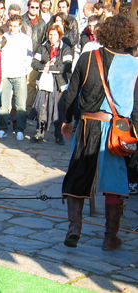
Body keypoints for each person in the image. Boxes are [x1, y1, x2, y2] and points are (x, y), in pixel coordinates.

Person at [61, 15, 138, 250]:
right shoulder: (135, 65)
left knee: (78, 175)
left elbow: (70, 95)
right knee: (114, 183)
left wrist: (66, 120)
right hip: (117, 129)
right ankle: (109, 237)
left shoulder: (87, 58)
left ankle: (74, 228)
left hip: (86, 125)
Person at [30, 24, 72, 145]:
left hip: (59, 83)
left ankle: (59, 135)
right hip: (44, 81)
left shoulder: (66, 48)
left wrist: (51, 68)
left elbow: (67, 65)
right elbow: (34, 63)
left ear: (59, 36)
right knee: (42, 107)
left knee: (58, 109)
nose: (52, 37)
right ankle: (39, 133)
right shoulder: (42, 47)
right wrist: (44, 67)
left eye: (54, 34)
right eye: (50, 34)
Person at [0, 15, 33, 141]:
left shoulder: (26, 39)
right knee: (4, 104)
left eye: (15, 26)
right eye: (10, 26)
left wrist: (25, 69)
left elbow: (29, 55)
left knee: (20, 104)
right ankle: (2, 128)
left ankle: (20, 129)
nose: (12, 28)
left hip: (19, 74)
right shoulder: (4, 37)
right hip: (5, 75)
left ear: (20, 26)